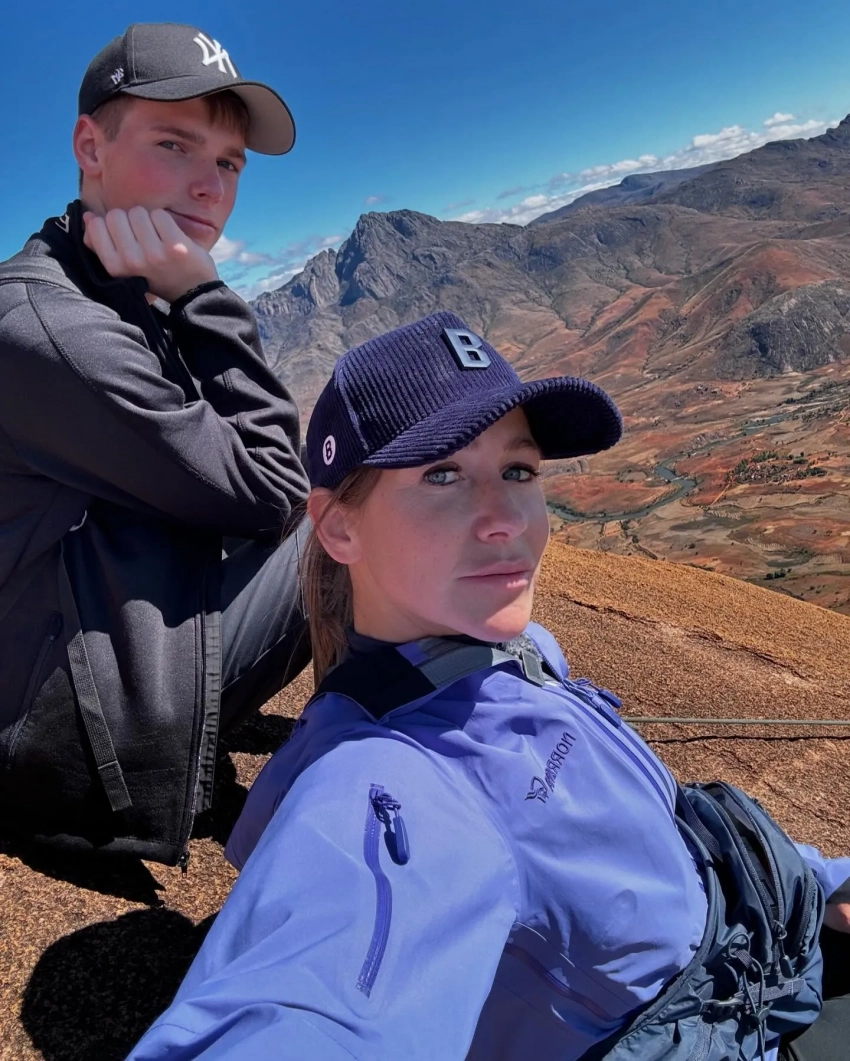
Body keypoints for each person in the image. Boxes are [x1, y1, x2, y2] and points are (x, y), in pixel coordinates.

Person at [127, 312, 850, 1059]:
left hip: (780, 928)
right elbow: (307, 1006)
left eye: (519, 470)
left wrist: (826, 883)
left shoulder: (516, 650)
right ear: (339, 528)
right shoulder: (380, 782)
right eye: (442, 475)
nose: (506, 518)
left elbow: (651, 831)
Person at [0, 23, 312, 866]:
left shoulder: (105, 286)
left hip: (85, 645)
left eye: (229, 163)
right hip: (69, 740)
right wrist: (206, 295)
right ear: (89, 147)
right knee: (364, 514)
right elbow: (277, 487)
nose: (210, 187)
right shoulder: (55, 329)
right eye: (174, 144)